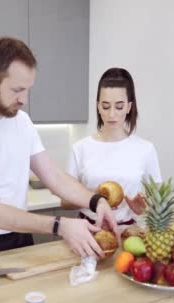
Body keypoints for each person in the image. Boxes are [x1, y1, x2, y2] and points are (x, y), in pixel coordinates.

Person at [0, 37, 116, 260]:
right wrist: (60, 225)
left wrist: (96, 201)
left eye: (28, 90)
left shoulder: (22, 121)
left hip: (21, 237)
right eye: (17, 90)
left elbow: (56, 178)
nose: (24, 100)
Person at [63, 68, 162, 231]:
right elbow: (65, 202)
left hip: (128, 233)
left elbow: (158, 201)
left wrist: (143, 209)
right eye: (106, 106)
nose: (111, 114)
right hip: (87, 230)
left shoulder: (145, 149)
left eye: (119, 106)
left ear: (129, 107)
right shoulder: (80, 148)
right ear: (98, 107)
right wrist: (91, 196)